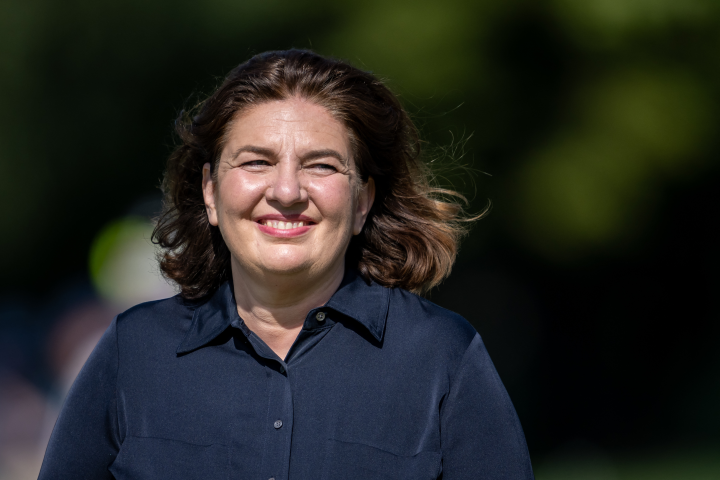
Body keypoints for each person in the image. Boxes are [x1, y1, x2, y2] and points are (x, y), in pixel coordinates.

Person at [38, 50, 534, 479]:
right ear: (210, 191)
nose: (287, 191)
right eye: (256, 162)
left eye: (321, 165)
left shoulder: (442, 357)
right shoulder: (135, 352)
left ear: (362, 200)